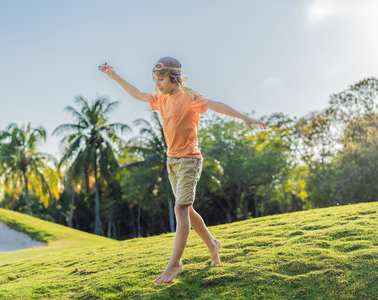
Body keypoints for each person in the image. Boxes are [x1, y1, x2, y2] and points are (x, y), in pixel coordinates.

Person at [99, 56, 266, 284]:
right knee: (185, 210)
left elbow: (216, 105)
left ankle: (175, 264)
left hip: (189, 160)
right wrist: (114, 75)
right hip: (172, 161)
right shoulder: (161, 98)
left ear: (174, 78)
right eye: (155, 80)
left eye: (161, 80)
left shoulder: (189, 97)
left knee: (180, 209)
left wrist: (244, 117)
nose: (157, 85)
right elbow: (137, 93)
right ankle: (213, 244)